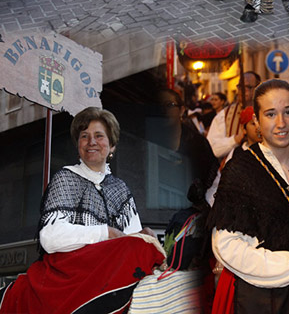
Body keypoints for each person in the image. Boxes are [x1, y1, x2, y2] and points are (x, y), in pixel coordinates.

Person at [0, 106, 166, 314]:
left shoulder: (121, 189)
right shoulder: (66, 178)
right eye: (84, 136)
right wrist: (105, 233)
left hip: (106, 277)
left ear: (112, 145)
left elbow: (131, 243)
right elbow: (50, 238)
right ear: (78, 144)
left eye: (99, 136)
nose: (91, 142)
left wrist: (144, 237)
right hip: (68, 277)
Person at [210, 78, 289, 313]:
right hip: (262, 294)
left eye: (288, 112)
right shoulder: (241, 169)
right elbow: (226, 245)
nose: (281, 123)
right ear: (256, 121)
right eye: (270, 114)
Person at [207, 70, 261, 162]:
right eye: (240, 87)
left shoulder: (265, 112)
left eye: (248, 87)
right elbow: (212, 149)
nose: (243, 90)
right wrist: (235, 140)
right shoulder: (224, 115)